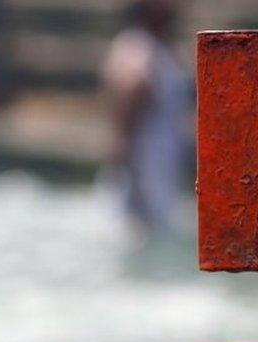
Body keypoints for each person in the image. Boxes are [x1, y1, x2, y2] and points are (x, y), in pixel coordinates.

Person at [100, 0, 189, 235]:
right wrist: (123, 148)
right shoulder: (138, 49)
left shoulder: (159, 47)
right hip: (143, 165)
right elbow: (130, 90)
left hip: (160, 163)